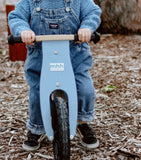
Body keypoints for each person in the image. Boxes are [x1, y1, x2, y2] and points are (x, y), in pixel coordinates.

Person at [8, 0, 101, 151]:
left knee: (84, 88)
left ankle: (82, 122)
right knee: (38, 92)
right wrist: (23, 30)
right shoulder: (30, 2)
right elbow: (16, 16)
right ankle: (36, 127)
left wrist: (86, 27)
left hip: (74, 54)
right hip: (40, 55)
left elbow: (93, 12)